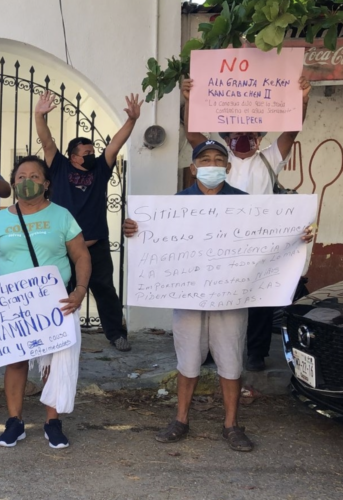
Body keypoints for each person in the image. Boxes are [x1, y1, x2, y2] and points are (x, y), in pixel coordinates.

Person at [123, 140, 314, 452]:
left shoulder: (244, 203)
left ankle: (231, 425)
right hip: (188, 296)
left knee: (230, 362)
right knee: (187, 360)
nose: (211, 165)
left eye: (217, 160)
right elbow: (157, 238)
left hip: (231, 296)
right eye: (204, 160)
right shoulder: (177, 204)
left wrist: (298, 234)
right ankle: (181, 420)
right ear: (194, 167)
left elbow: (270, 235)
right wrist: (135, 229)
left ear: (227, 168)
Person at [182, 77, 312, 372]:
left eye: (250, 133)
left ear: (260, 136)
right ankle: (211, 351)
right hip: (220, 240)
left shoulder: (269, 158)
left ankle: (256, 352)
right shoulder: (217, 161)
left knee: (260, 299)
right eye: (237, 133)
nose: (243, 138)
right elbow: (192, 135)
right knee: (217, 295)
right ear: (226, 137)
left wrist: (302, 100)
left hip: (259, 241)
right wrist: (189, 99)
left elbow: (291, 130)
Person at [0, 155, 91, 450]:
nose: (27, 182)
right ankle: (15, 422)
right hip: (12, 303)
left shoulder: (61, 216)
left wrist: (81, 289)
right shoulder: (1, 219)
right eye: (21, 176)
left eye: (35, 177)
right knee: (16, 360)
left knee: (53, 361)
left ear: (46, 184)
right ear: (13, 182)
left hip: (53, 301)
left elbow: (81, 255)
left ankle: (52, 421)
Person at [34, 92, 141, 352]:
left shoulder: (100, 170)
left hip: (95, 244)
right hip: (63, 246)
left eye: (93, 151)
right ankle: (53, 335)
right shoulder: (58, 166)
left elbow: (115, 144)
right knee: (58, 291)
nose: (92, 155)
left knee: (105, 289)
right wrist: (39, 115)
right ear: (72, 156)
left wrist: (132, 121)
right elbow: (47, 143)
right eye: (86, 152)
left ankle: (116, 334)